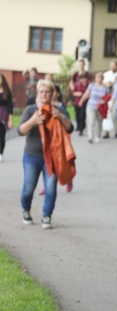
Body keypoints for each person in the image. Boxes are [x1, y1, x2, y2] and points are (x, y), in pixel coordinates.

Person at [18, 79, 74, 228]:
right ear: (38, 93)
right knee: (29, 187)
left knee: (50, 187)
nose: (44, 94)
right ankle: (26, 209)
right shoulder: (31, 110)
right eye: (41, 91)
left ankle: (46, 216)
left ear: (52, 94)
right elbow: (20, 131)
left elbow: (70, 129)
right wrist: (33, 121)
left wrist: (61, 118)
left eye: (47, 92)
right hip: (32, 155)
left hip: (53, 155)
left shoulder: (58, 110)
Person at [79, 72, 109, 144]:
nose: (98, 79)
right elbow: (87, 94)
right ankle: (90, 136)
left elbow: (108, 97)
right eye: (97, 77)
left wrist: (104, 101)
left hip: (100, 107)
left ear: (102, 79)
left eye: (100, 77)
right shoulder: (91, 86)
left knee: (99, 122)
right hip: (91, 105)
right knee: (91, 121)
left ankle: (98, 136)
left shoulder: (105, 88)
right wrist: (81, 100)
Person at [70, 59, 91, 137]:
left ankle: (81, 127)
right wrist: (75, 91)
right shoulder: (75, 75)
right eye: (80, 64)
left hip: (85, 99)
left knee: (82, 114)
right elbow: (71, 82)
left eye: (82, 64)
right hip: (77, 97)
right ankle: (79, 126)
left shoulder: (87, 75)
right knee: (77, 113)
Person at [0, 73, 13, 163]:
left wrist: (10, 120)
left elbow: (10, 106)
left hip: (3, 115)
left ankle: (0, 153)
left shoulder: (7, 92)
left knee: (1, 135)